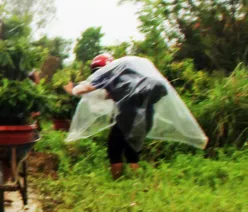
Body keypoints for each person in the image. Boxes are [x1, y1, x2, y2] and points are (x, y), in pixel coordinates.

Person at [65, 54, 207, 178]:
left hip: (129, 113)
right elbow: (112, 94)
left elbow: (89, 87)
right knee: (131, 150)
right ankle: (135, 182)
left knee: (114, 147)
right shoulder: (129, 72)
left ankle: (117, 182)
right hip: (146, 114)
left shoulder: (107, 73)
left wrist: (74, 90)